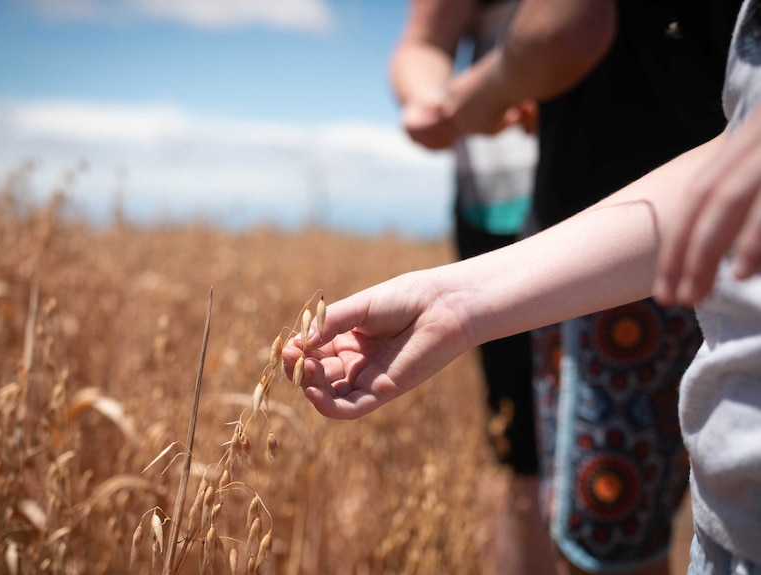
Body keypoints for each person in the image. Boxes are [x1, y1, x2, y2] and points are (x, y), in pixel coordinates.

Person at [282, 1, 761, 573]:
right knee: (549, 479)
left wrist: (483, 90)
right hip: (585, 244)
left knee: (597, 529)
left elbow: (566, 29)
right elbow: (727, 162)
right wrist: (457, 302)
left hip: (594, 223)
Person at [389, 3, 546, 573]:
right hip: (496, 213)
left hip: (635, 194)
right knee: (515, 443)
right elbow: (422, 42)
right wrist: (436, 100)